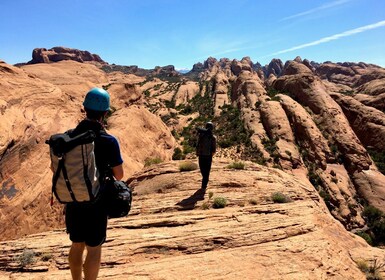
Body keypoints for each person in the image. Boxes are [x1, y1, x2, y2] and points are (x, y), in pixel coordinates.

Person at [64, 87, 124, 280]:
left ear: (85, 109)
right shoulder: (108, 140)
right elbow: (120, 175)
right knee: (94, 248)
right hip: (97, 202)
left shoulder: (68, 137)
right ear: (105, 113)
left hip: (73, 199)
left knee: (76, 244)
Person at [196, 121, 217, 189]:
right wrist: (211, 154)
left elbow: (197, 144)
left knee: (202, 169)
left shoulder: (201, 135)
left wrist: (197, 152)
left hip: (201, 155)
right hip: (208, 156)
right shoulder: (212, 137)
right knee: (207, 171)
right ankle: (204, 185)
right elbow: (214, 148)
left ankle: (204, 182)